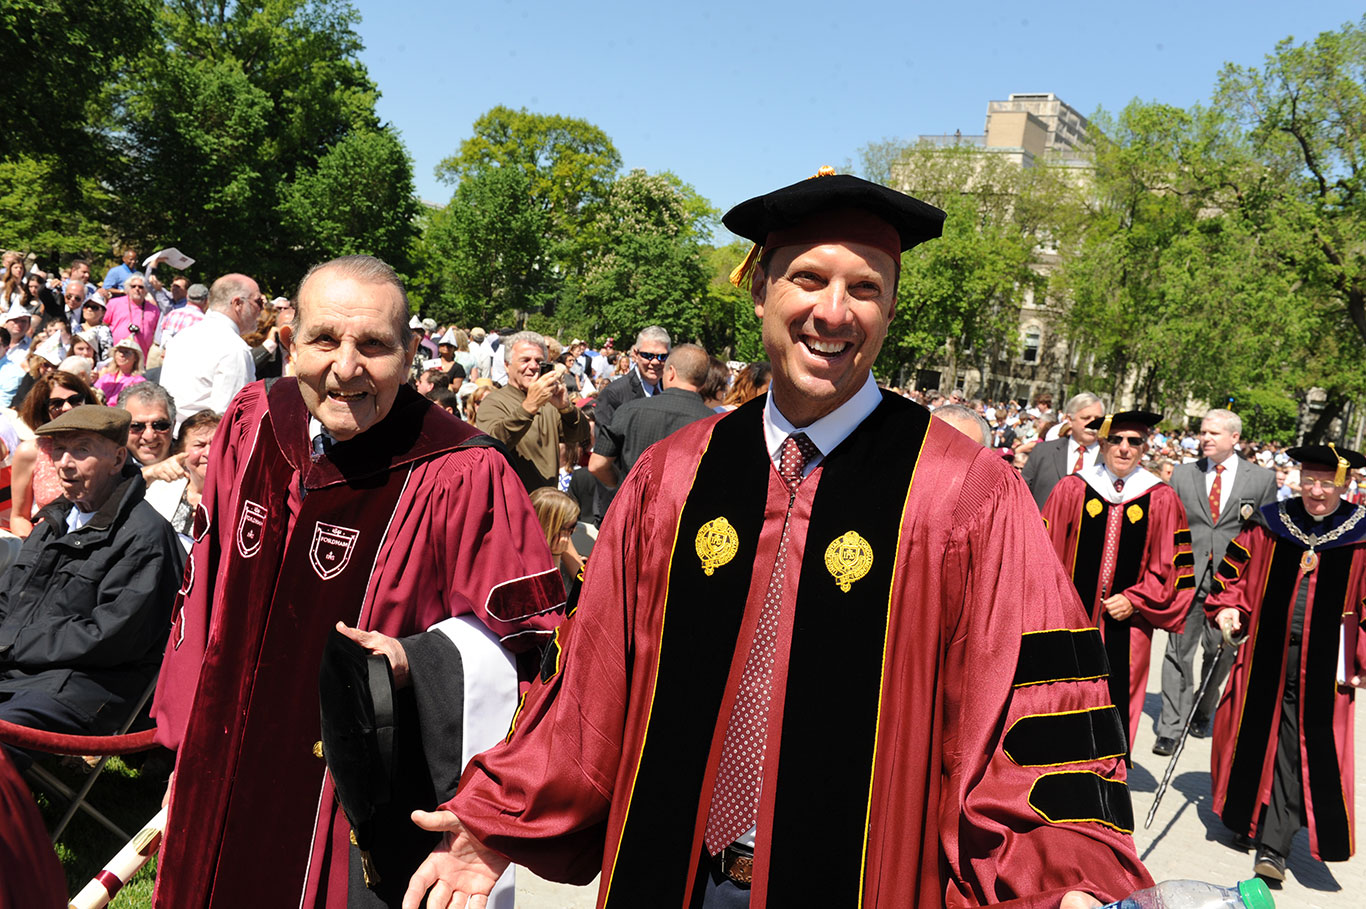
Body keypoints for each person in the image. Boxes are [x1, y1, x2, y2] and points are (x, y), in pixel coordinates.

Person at [410, 172, 1150, 909]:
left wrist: (1067, 871)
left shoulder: (965, 494)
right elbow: (593, 678)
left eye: (865, 287)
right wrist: (498, 821)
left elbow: (1035, 703)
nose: (833, 311)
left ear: (891, 308)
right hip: (669, 871)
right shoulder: (673, 476)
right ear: (761, 289)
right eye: (809, 279)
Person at [149, 255, 568, 908]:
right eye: (324, 339)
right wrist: (186, 744)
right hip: (223, 767)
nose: (346, 367)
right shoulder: (254, 422)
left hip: (357, 809)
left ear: (410, 355)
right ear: (289, 343)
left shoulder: (461, 471)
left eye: (373, 345)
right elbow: (206, 585)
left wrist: (418, 658)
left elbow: (536, 647)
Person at [1206, 444, 1366, 880]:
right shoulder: (1271, 522)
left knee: (1299, 744)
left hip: (1326, 663)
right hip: (1266, 650)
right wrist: (1228, 606)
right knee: (1256, 731)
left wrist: (1362, 658)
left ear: (1346, 483)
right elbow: (1233, 573)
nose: (1316, 491)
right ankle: (1247, 816)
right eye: (1309, 480)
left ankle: (1273, 848)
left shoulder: (1360, 533)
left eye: (1327, 483)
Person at [0, 405, 183, 769]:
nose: (65, 463)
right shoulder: (53, 521)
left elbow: (110, 637)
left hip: (84, 687)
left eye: (81, 449)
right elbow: (8, 598)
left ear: (117, 459)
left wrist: (13, 643)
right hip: (21, 669)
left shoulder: (145, 536)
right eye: (59, 450)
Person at [1041, 411, 1194, 756]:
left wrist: (1136, 599)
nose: (1124, 448)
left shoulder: (1161, 497)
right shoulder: (1073, 488)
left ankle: (1109, 773)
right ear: (1103, 443)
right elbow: (1044, 554)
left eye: (1134, 441)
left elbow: (1172, 567)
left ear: (1144, 448)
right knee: (1062, 699)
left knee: (1117, 705)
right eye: (1116, 440)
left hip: (1129, 625)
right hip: (1071, 621)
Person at [1153, 409, 1278, 756]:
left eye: (1214, 433)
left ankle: (1202, 708)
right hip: (1186, 578)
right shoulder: (1182, 474)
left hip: (1231, 584)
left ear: (1234, 438)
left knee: (1220, 651)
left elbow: (1265, 535)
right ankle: (1170, 727)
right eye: (1203, 432)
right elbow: (1167, 524)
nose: (1205, 438)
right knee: (1177, 653)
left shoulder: (1261, 479)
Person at [588, 343, 718, 488]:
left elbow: (597, 465)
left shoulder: (629, 411)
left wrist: (625, 488)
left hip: (634, 499)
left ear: (671, 372)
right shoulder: (715, 425)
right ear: (704, 381)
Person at [474, 331, 589, 492]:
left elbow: (581, 436)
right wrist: (529, 407)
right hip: (512, 500)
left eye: (539, 361)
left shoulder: (550, 402)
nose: (534, 366)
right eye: (525, 360)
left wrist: (566, 407)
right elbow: (493, 445)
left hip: (547, 501)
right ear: (507, 365)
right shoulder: (493, 402)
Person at [158, 273, 260, 431]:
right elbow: (228, 418)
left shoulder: (182, 336)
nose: (261, 310)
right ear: (238, 304)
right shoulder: (234, 348)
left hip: (175, 435)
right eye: (258, 301)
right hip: (204, 440)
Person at [8, 372, 93, 537]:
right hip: (47, 544)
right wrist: (32, 548)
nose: (67, 408)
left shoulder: (105, 446)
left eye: (75, 400)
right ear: (43, 411)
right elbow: (19, 517)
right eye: (56, 404)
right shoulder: (30, 452)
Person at [144, 409, 219, 552]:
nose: (209, 453)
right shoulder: (160, 488)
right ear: (180, 451)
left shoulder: (237, 498)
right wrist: (151, 472)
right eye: (199, 445)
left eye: (217, 445)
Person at [1022, 392, 1106, 510]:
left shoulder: (1110, 459)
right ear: (1070, 420)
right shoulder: (1042, 452)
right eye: (1086, 418)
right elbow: (1021, 494)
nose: (1093, 424)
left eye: (1097, 419)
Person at [102, 272, 160, 360]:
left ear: (146, 290)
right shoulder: (114, 303)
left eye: (141, 287)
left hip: (141, 358)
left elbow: (157, 333)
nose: (137, 289)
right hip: (116, 355)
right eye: (133, 286)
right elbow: (103, 324)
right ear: (128, 288)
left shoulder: (154, 310)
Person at [121, 382, 178, 468]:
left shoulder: (193, 463)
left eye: (160, 425)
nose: (149, 436)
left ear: (173, 425)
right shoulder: (108, 467)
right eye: (137, 426)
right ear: (122, 427)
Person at [156, 281, 209, 349]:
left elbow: (164, 338)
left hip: (167, 353)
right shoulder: (203, 321)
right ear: (206, 301)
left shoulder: (171, 314)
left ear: (187, 296)